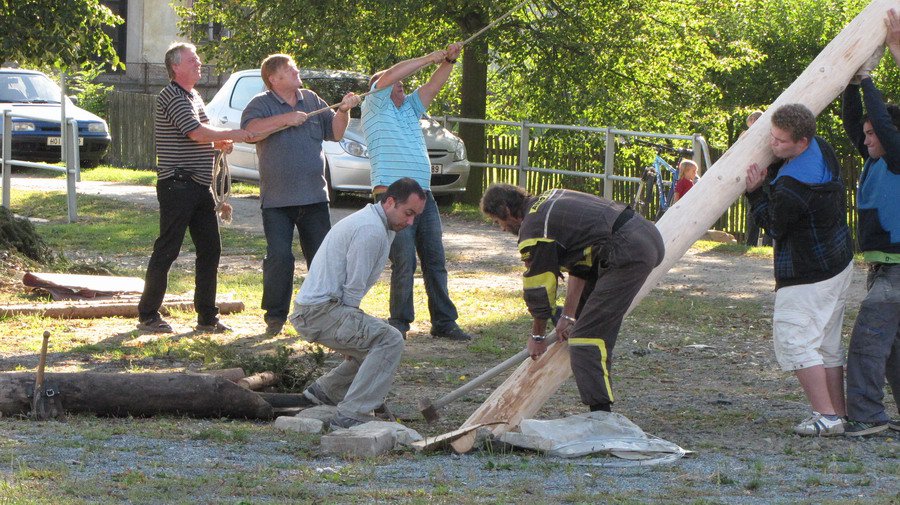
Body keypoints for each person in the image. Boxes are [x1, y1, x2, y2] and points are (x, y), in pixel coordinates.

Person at [480, 184, 664, 413]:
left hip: (627, 251)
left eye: (498, 221)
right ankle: (599, 403)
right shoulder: (549, 200)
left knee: (585, 338)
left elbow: (538, 289)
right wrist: (568, 315)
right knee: (580, 321)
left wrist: (537, 336)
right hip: (643, 235)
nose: (501, 228)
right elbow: (580, 265)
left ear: (506, 210)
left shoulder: (534, 229)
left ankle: (601, 414)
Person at [745, 103, 854, 436]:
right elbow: (783, 162)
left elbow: (774, 226)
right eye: (771, 137)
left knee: (794, 340)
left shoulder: (795, 186)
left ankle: (825, 416)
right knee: (827, 344)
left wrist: (754, 193)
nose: (772, 146)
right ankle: (837, 414)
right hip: (838, 262)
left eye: (780, 141)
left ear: (801, 141)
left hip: (809, 273)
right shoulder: (822, 149)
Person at [289, 178, 426, 429]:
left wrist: (355, 335)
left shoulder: (381, 226)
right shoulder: (370, 230)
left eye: (415, 216)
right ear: (390, 202)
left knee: (377, 341)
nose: (410, 222)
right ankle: (352, 414)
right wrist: (350, 334)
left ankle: (325, 393)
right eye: (408, 213)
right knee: (390, 340)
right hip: (318, 312)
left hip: (322, 308)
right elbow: (353, 289)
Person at [360, 42, 475, 341]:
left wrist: (448, 61)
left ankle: (444, 321)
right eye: (396, 84)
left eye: (401, 85)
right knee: (404, 260)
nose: (401, 87)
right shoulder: (374, 104)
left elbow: (432, 87)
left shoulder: (409, 108)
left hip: (423, 196)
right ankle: (399, 322)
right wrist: (428, 57)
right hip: (394, 197)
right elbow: (391, 75)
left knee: (435, 259)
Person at [137, 43, 254, 334]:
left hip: (198, 185)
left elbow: (200, 136)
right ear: (175, 66)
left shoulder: (194, 96)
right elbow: (195, 132)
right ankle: (148, 314)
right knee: (168, 249)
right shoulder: (171, 95)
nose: (199, 63)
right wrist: (232, 134)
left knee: (210, 249)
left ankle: (206, 318)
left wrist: (218, 142)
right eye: (193, 60)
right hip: (177, 184)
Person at [241, 54, 361, 335]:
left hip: (314, 197)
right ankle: (275, 317)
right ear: (274, 78)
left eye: (294, 68)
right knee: (280, 257)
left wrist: (344, 110)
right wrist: (286, 119)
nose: (297, 72)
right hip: (277, 201)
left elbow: (335, 132)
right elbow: (250, 132)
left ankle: (325, 312)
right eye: (290, 69)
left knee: (322, 258)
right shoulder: (260, 104)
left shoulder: (311, 99)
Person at [838, 9, 900, 437]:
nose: (867, 139)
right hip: (883, 268)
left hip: (897, 272)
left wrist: (871, 81)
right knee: (894, 350)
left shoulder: (897, 158)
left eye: (874, 133)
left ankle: (865, 416)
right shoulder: (876, 159)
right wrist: (850, 82)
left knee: (866, 346)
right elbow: (853, 125)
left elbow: (884, 127)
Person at [742, 110, 771, 247]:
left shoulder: (754, 135)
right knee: (767, 206)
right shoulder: (771, 133)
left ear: (753, 120)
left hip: (759, 174)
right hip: (767, 174)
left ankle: (752, 242)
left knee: (756, 208)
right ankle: (766, 242)